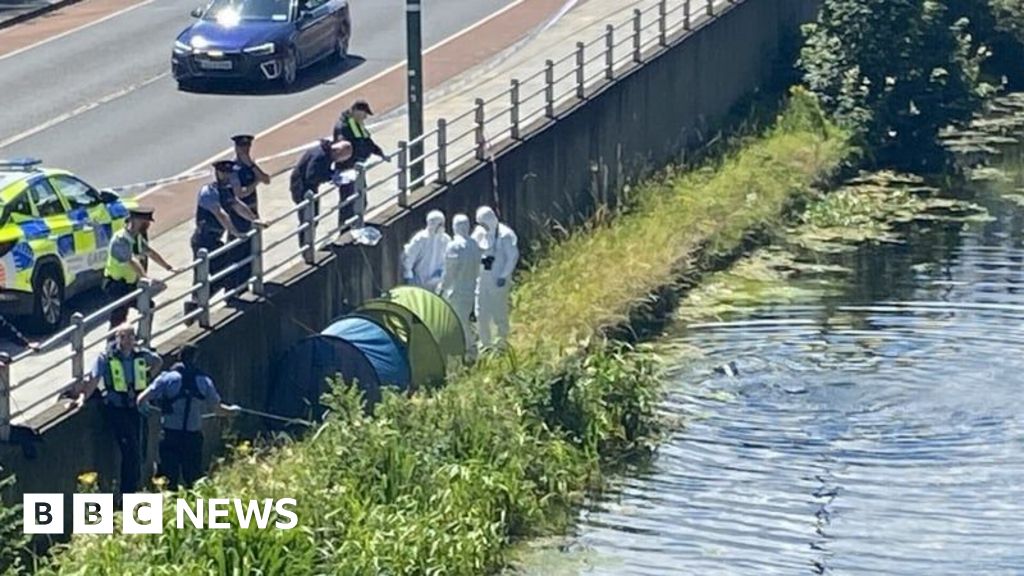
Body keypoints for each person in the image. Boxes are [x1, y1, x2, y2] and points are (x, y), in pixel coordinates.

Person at [72, 324, 162, 496]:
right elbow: (93, 380)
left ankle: (131, 491)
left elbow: (158, 361)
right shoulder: (106, 358)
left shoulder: (140, 355)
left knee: (138, 452)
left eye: (130, 337)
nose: (127, 341)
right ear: (116, 338)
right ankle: (127, 494)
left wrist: (148, 376)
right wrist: (82, 398)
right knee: (131, 452)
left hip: (135, 409)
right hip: (116, 409)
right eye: (123, 337)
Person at [137, 344, 232, 489]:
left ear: (179, 357)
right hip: (192, 436)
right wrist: (233, 411)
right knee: (194, 478)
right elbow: (218, 409)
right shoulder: (204, 381)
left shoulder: (167, 379)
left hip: (170, 435)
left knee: (167, 479)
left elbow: (141, 399)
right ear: (195, 358)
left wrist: (148, 410)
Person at [184, 161, 264, 319]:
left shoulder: (225, 191)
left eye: (230, 174)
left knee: (225, 271)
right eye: (226, 173)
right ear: (218, 173)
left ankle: (199, 305)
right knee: (206, 275)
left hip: (214, 240)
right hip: (203, 241)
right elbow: (221, 214)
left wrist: (254, 219)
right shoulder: (208, 192)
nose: (229, 177)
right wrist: (236, 232)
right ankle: (195, 307)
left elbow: (237, 205)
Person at [103, 207, 176, 329]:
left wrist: (168, 267)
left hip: (131, 284)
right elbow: (131, 260)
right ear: (133, 220)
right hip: (116, 285)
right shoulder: (120, 239)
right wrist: (146, 278)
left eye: (148, 222)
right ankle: (113, 346)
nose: (147, 225)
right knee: (119, 318)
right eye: (144, 222)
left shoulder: (137, 237)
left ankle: (142, 339)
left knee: (147, 306)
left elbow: (150, 252)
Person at [226, 135, 271, 291]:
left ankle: (246, 284)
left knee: (251, 251)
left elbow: (267, 179)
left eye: (248, 147)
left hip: (253, 212)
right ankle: (234, 289)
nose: (245, 150)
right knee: (236, 252)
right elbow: (240, 193)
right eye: (242, 147)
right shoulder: (232, 169)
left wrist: (252, 166)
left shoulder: (250, 165)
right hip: (238, 216)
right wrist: (255, 182)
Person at [472, 206, 519, 350]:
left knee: (499, 310)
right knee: (481, 311)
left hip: (498, 279)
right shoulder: (479, 233)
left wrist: (504, 275)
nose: (482, 226)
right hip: (482, 278)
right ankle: (485, 342)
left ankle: (502, 341)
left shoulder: (505, 235)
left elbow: (512, 257)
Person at [289, 139, 354, 239]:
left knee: (312, 219)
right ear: (337, 152)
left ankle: (308, 244)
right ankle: (305, 246)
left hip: (307, 187)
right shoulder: (321, 156)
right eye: (340, 158)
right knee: (308, 219)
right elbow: (311, 176)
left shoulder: (325, 152)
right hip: (302, 188)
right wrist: (330, 177)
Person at [438, 214, 481, 356]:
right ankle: (466, 347)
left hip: (456, 290)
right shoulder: (474, 244)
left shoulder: (454, 246)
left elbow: (449, 271)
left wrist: (442, 288)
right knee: (464, 320)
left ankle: (470, 349)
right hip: (471, 288)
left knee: (459, 321)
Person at [402, 210, 450, 292]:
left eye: (442, 224)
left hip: (437, 281)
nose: (442, 227)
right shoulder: (420, 239)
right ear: (432, 224)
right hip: (420, 281)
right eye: (439, 224)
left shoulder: (445, 239)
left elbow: (448, 258)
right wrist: (408, 274)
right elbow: (409, 256)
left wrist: (442, 271)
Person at [332, 99, 386, 166]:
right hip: (348, 167)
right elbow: (342, 150)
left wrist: (380, 153)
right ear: (356, 111)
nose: (365, 117)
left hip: (360, 164)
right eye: (364, 113)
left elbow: (368, 142)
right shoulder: (343, 127)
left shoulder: (358, 124)